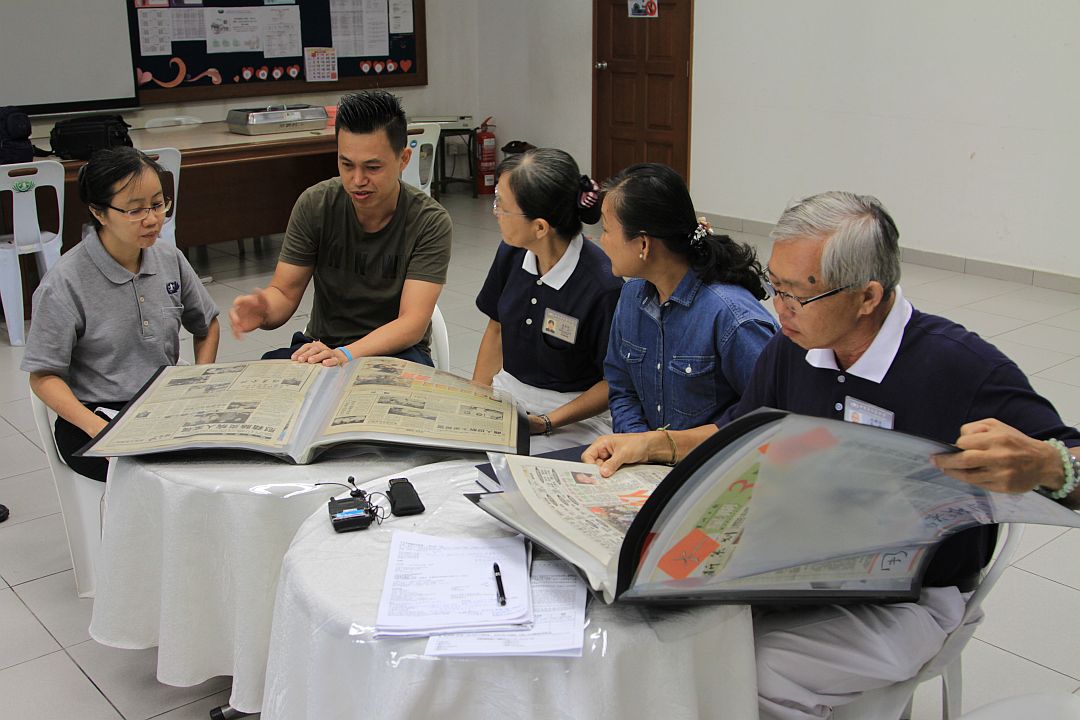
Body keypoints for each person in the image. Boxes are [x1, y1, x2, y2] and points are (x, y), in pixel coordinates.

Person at [583, 191, 1080, 719]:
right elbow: (743, 434)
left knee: (748, 677)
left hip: (910, 597)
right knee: (657, 635)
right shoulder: (793, 348)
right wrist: (656, 444)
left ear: (867, 297)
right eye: (776, 287)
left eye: (797, 295)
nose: (779, 309)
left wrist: (1050, 464)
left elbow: (1067, 455)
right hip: (791, 566)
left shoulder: (961, 368)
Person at [22, 146, 220, 482]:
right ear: (99, 212)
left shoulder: (168, 258)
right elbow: (43, 376)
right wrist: (100, 429)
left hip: (163, 405)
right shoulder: (65, 283)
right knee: (166, 475)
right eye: (134, 210)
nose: (152, 219)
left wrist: (199, 379)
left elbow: (207, 324)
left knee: (233, 454)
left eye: (158, 205)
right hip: (95, 417)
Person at [230, 90, 452, 367]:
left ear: (403, 159)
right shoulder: (316, 204)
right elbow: (285, 293)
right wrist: (264, 310)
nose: (357, 180)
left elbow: (411, 323)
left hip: (397, 352)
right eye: (346, 164)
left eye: (372, 167)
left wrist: (345, 355)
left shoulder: (429, 221)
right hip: (322, 346)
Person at [598, 163, 777, 434]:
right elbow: (622, 386)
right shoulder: (631, 295)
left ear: (643, 245)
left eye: (606, 229)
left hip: (714, 466)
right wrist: (637, 444)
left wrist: (663, 449)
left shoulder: (730, 315)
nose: (601, 241)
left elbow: (769, 411)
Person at [473, 148, 623, 442]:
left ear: (540, 227)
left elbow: (613, 383)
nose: (495, 213)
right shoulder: (511, 253)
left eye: (502, 206)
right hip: (509, 398)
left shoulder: (603, 286)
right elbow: (496, 329)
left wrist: (546, 422)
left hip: (572, 417)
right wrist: (476, 399)